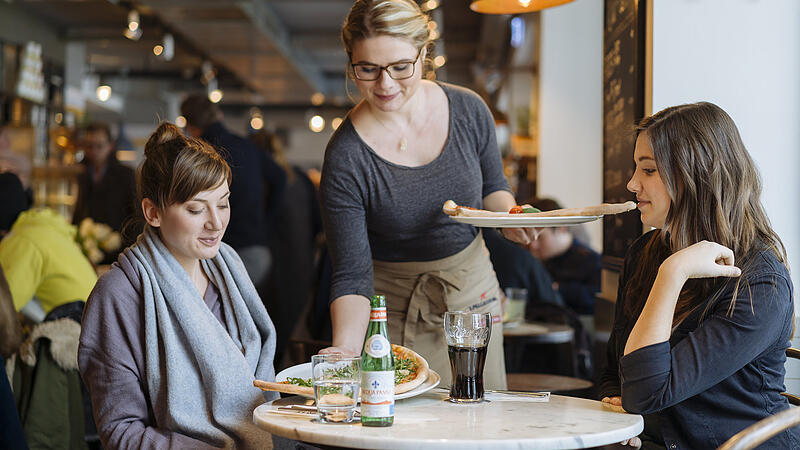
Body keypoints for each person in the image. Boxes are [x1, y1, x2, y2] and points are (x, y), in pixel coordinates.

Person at [318, 0, 536, 389]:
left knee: (482, 426)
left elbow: (493, 188)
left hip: (472, 294)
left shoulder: (469, 110)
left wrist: (510, 218)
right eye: (367, 69)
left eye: (401, 67)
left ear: (424, 53)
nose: (384, 85)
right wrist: (346, 352)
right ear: (351, 61)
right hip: (393, 310)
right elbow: (352, 273)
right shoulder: (346, 155)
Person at [599, 102, 798, 449]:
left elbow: (646, 393)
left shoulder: (760, 283)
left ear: (697, 175)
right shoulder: (643, 253)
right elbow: (613, 373)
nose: (632, 183)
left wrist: (672, 274)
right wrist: (619, 413)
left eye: (648, 170)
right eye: (636, 168)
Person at [78, 122, 279, 449]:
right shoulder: (119, 295)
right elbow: (121, 431)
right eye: (196, 209)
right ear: (153, 212)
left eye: (223, 203)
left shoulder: (229, 271)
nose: (215, 222)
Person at [181, 94, 287, 287]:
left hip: (223, 251)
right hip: (258, 249)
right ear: (219, 115)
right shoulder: (247, 145)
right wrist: (265, 221)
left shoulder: (198, 154)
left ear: (190, 127)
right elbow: (280, 177)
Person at [251, 130, 323, 367]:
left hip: (272, 266)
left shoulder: (257, 180)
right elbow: (318, 223)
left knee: (267, 329)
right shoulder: (300, 177)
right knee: (291, 329)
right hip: (301, 264)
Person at [0, 172, 97, 314]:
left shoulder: (24, 241)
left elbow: (5, 307)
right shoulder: (42, 228)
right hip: (90, 324)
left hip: (74, 330)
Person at [72, 122, 138, 262]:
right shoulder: (83, 175)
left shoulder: (125, 175)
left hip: (118, 252)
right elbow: (79, 211)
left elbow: (135, 215)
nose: (94, 151)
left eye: (99, 146)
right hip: (87, 252)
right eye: (89, 146)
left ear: (110, 146)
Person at [527, 198, 601, 315]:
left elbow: (596, 302)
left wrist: (557, 288)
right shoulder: (540, 260)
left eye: (539, 237)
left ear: (561, 228)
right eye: (531, 238)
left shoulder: (593, 261)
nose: (533, 245)